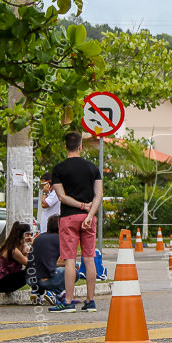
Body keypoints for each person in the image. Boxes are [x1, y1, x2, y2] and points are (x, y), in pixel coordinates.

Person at [49, 132, 102, 313]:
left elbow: (62, 197)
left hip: (68, 218)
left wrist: (79, 205)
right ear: (80, 146)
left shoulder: (58, 169)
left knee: (70, 259)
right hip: (89, 218)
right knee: (89, 258)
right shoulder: (92, 167)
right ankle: (91, 300)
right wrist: (89, 213)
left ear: (66, 147)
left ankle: (69, 301)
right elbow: (99, 194)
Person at [0, 221, 33, 294]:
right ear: (24, 235)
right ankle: (38, 291)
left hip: (4, 279)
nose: (31, 236)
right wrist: (33, 244)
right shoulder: (13, 250)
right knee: (31, 271)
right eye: (29, 234)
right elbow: (30, 264)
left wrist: (29, 249)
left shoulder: (19, 246)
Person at [27, 214, 65, 303]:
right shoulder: (59, 239)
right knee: (73, 272)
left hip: (29, 278)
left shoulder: (38, 238)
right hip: (46, 279)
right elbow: (63, 261)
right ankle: (54, 292)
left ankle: (37, 292)